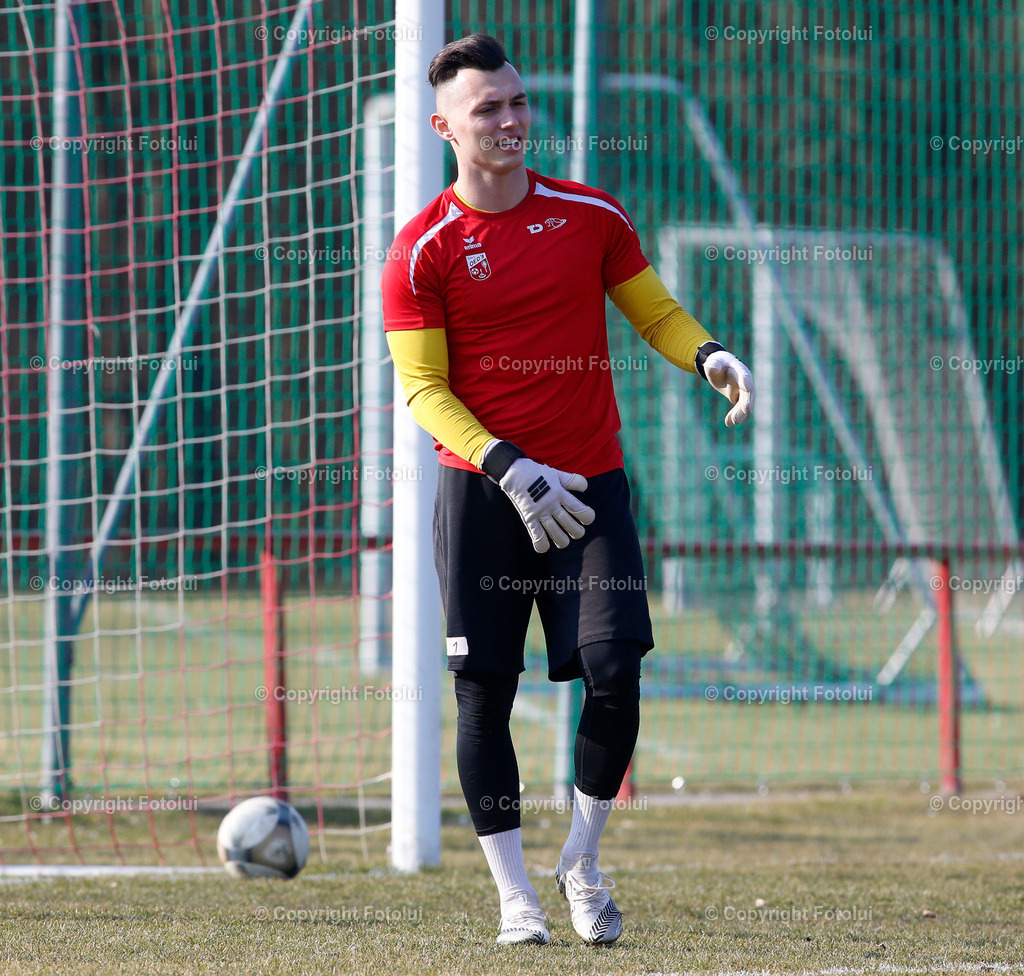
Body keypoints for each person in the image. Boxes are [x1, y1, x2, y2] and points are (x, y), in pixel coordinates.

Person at [381, 33, 754, 946]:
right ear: (444, 129)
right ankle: (515, 896)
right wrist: (508, 467)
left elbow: (655, 311)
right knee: (484, 691)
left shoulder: (590, 216)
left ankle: (582, 861)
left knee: (616, 671)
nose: (510, 120)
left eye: (516, 102)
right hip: (485, 494)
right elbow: (425, 390)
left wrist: (708, 354)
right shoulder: (419, 252)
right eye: (487, 109)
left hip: (589, 487)